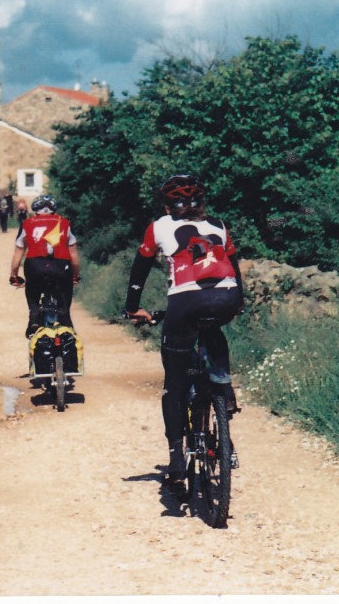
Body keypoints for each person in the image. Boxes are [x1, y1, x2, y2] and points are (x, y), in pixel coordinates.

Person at [124, 174, 243, 486]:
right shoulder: (219, 225)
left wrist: (133, 307)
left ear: (167, 206)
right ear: (202, 203)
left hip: (185, 301)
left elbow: (140, 268)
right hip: (228, 296)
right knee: (213, 330)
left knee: (175, 383)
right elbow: (234, 265)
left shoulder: (158, 226)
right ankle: (224, 390)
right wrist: (238, 302)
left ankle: (177, 458)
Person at [9, 195, 81, 338]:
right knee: (64, 302)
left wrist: (14, 276)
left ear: (35, 210)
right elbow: (74, 256)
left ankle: (34, 317)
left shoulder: (26, 224)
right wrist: (75, 275)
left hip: (35, 266)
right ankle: (66, 321)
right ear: (54, 209)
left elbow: (18, 254)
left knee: (32, 289)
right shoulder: (65, 223)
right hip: (61, 266)